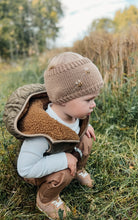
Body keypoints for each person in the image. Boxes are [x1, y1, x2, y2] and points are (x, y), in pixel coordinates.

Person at [12, 52, 103, 219]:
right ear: (62, 99)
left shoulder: (71, 112)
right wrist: (63, 160)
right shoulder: (42, 132)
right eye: (88, 100)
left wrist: (85, 126)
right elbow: (25, 169)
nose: (94, 104)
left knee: (86, 138)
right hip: (39, 168)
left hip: (64, 152)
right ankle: (47, 199)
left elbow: (74, 123)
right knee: (64, 172)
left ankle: (78, 169)